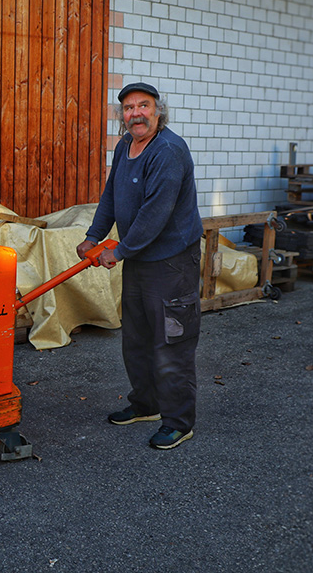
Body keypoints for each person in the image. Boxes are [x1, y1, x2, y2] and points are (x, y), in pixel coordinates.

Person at [77, 82, 203, 450]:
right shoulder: (124, 148)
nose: (136, 114)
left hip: (171, 262)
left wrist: (120, 250)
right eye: (128, 108)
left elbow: (156, 214)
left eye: (143, 106)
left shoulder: (168, 151)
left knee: (171, 341)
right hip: (140, 259)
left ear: (158, 111)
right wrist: (94, 235)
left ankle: (179, 421)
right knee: (137, 338)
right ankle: (146, 403)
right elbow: (112, 196)